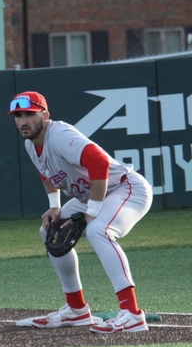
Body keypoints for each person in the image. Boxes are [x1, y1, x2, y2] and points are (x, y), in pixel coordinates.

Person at [9, 92, 153, 333]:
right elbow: (46, 172)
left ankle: (132, 314)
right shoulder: (31, 145)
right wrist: (55, 205)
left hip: (126, 188)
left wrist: (92, 211)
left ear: (45, 115)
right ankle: (76, 310)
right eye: (18, 116)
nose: (23, 121)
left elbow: (99, 162)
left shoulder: (59, 135)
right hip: (93, 196)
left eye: (30, 114)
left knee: (99, 230)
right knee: (49, 231)